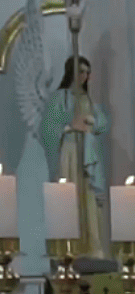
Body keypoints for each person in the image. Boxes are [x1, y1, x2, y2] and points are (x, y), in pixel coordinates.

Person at [38, 56, 109, 257]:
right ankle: (69, 248)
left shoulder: (87, 99)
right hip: (69, 152)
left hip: (87, 152)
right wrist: (70, 126)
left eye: (87, 72)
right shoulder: (60, 98)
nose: (84, 76)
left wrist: (91, 121)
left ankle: (92, 246)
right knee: (70, 195)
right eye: (80, 72)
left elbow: (102, 123)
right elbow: (47, 128)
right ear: (71, 73)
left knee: (88, 197)